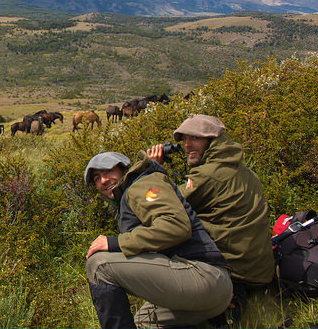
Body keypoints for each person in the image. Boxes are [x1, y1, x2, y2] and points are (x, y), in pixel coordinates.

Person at [84, 150, 232, 329]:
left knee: (99, 265)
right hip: (205, 290)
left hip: (203, 276)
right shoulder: (132, 194)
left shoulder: (141, 185)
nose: (103, 181)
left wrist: (117, 243)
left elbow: (176, 226)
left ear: (124, 170)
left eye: (108, 172)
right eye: (97, 178)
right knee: (144, 323)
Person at [148, 114, 274, 316]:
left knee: (171, 230)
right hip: (260, 270)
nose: (187, 145)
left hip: (235, 270)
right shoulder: (244, 171)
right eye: (184, 140)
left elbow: (161, 204)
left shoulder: (208, 175)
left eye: (195, 138)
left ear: (212, 141)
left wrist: (153, 171)